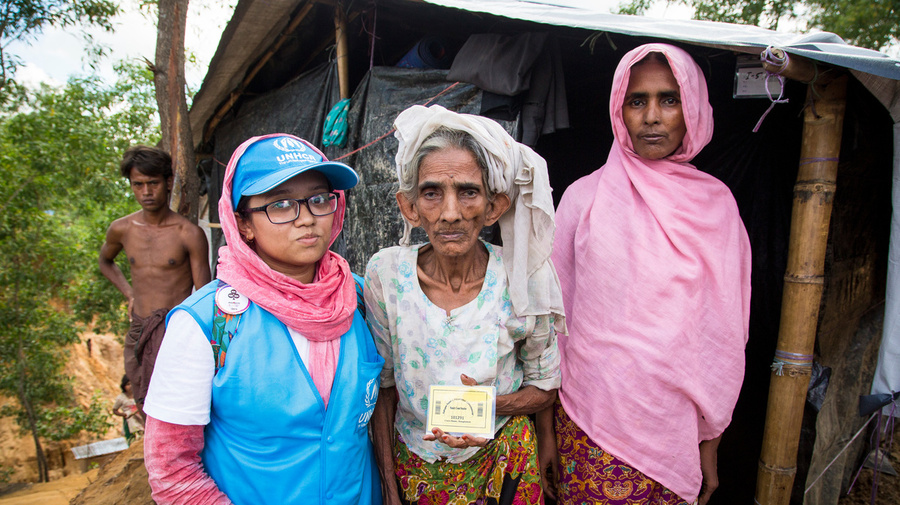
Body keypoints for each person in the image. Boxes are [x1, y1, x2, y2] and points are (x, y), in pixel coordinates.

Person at [547, 43, 752, 505]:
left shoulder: (716, 208)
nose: (652, 116)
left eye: (669, 99)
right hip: (588, 422)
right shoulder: (584, 199)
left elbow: (726, 335)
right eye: (637, 100)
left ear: (693, 109)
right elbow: (552, 323)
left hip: (673, 431)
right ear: (619, 109)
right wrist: (545, 431)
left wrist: (711, 443)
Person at [142, 134, 384, 505]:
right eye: (281, 205)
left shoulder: (361, 299)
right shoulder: (208, 323)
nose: (307, 218)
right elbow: (172, 469)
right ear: (243, 224)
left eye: (320, 200)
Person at [367, 104, 566, 505]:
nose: (450, 213)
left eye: (469, 192)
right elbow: (383, 388)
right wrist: (389, 485)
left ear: (495, 206)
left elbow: (545, 387)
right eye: (431, 193)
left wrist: (490, 405)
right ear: (410, 207)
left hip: (503, 460)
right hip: (416, 461)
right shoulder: (386, 275)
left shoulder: (525, 279)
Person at [99, 145, 211, 410]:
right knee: (144, 397)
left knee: (180, 401)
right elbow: (105, 261)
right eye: (138, 184)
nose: (146, 192)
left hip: (176, 329)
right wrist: (129, 293)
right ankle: (155, 450)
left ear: (168, 182)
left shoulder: (188, 234)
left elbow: (204, 293)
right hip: (139, 329)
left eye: (153, 183)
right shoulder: (122, 229)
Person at [112, 375, 144, 440]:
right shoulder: (121, 398)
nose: (130, 386)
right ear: (124, 386)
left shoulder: (138, 395)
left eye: (131, 384)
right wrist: (125, 414)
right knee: (133, 438)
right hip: (130, 421)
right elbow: (114, 410)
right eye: (128, 384)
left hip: (140, 419)